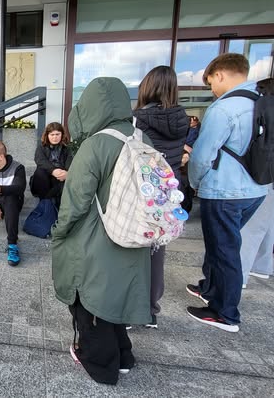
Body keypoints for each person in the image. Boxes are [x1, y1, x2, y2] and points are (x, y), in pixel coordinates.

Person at [51, 77, 151, 385]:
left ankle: (100, 364)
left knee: (90, 298)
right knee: (115, 294)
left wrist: (59, 232)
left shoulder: (95, 144)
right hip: (134, 232)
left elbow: (75, 202)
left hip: (95, 237)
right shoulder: (140, 137)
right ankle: (123, 355)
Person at [187, 54, 268, 332]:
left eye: (211, 82)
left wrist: (195, 182)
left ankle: (225, 313)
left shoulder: (224, 108)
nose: (212, 89)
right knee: (224, 244)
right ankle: (209, 288)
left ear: (220, 74)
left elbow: (202, 155)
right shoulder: (262, 100)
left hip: (225, 190)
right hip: (257, 188)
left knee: (224, 250)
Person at [132, 66, 189, 329]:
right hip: (168, 191)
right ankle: (151, 310)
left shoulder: (139, 119)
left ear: (147, 87)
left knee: (133, 248)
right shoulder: (181, 119)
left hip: (142, 190)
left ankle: (130, 309)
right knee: (157, 250)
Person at [239, 78, 274, 288]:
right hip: (269, 175)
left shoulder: (263, 109)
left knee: (250, 229)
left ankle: (240, 276)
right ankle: (262, 266)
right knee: (268, 224)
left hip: (262, 175)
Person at [30, 122, 72, 206]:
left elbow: (70, 162)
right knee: (40, 171)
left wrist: (67, 173)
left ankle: (49, 204)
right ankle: (46, 202)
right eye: (52, 134)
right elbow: (40, 160)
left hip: (61, 178)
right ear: (47, 135)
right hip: (44, 180)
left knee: (63, 179)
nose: (55, 137)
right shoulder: (41, 147)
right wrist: (53, 170)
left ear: (62, 135)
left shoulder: (67, 148)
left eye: (57, 134)